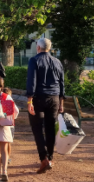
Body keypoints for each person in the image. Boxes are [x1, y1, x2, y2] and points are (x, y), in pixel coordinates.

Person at [27, 37, 65, 174]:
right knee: (50, 129)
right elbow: (61, 82)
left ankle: (43, 158)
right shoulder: (57, 62)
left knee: (37, 128)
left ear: (38, 47)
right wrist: (61, 101)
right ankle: (50, 157)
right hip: (54, 98)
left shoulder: (34, 60)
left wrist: (29, 100)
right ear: (49, 48)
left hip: (38, 97)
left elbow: (31, 81)